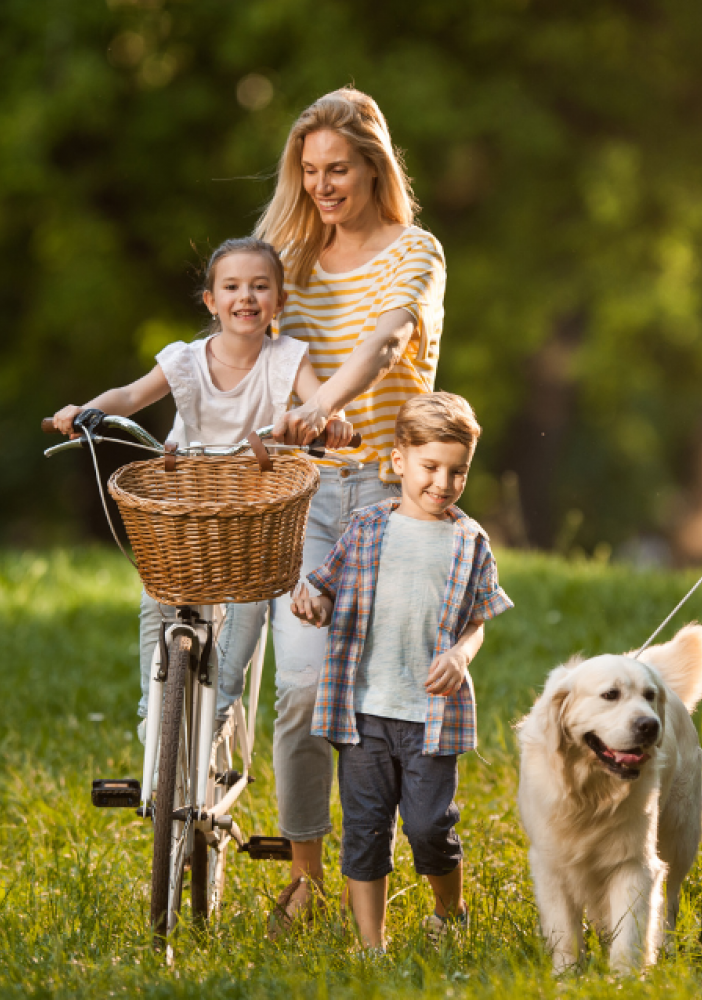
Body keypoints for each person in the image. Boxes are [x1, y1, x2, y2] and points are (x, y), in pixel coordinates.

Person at [253, 86, 447, 933]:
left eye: (339, 168)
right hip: (300, 497)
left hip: (384, 502)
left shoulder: (417, 251)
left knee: (390, 707)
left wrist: (322, 402)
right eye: (310, 171)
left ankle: (428, 876)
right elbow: (239, 342)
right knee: (299, 691)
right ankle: (303, 875)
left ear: (374, 166)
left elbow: (384, 341)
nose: (324, 185)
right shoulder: (285, 260)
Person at [49, 237, 354, 740]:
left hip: (255, 501)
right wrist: (86, 410)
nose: (246, 297)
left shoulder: (287, 357)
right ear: (212, 301)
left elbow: (316, 399)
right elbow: (129, 395)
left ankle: (219, 707)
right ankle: (154, 709)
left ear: (279, 301)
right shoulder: (187, 360)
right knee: (159, 590)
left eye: (260, 287)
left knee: (251, 598)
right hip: (189, 493)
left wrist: (331, 419)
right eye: (232, 286)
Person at [290, 392, 512, 949]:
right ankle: (372, 948)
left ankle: (449, 909)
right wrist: (311, 602)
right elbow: (317, 587)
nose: (442, 482)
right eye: (430, 467)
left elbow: (479, 621)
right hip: (362, 713)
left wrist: (461, 655)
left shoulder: (469, 540)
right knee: (363, 832)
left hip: (431, 716)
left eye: (456, 471)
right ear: (398, 460)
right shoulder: (366, 529)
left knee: (429, 827)